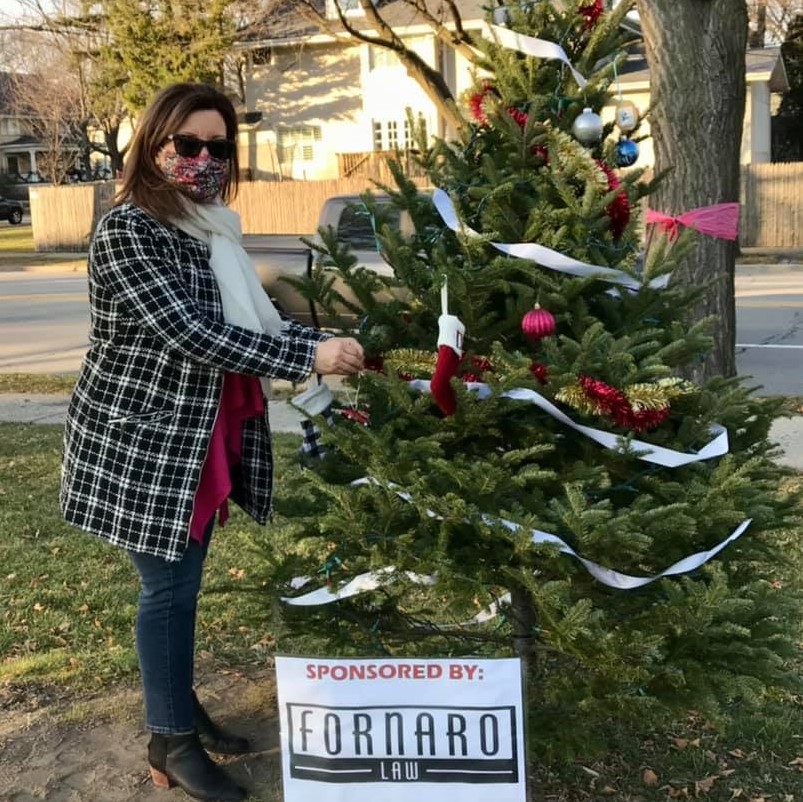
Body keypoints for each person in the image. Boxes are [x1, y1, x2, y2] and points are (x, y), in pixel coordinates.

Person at [60, 82, 364, 802]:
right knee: (167, 588)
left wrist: (327, 343)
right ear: (153, 146)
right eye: (186, 145)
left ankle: (178, 707)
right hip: (141, 441)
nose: (203, 159)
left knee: (179, 584)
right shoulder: (128, 229)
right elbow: (190, 334)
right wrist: (306, 359)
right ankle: (169, 739)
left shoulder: (208, 228)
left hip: (198, 434)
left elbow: (251, 324)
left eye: (218, 147)